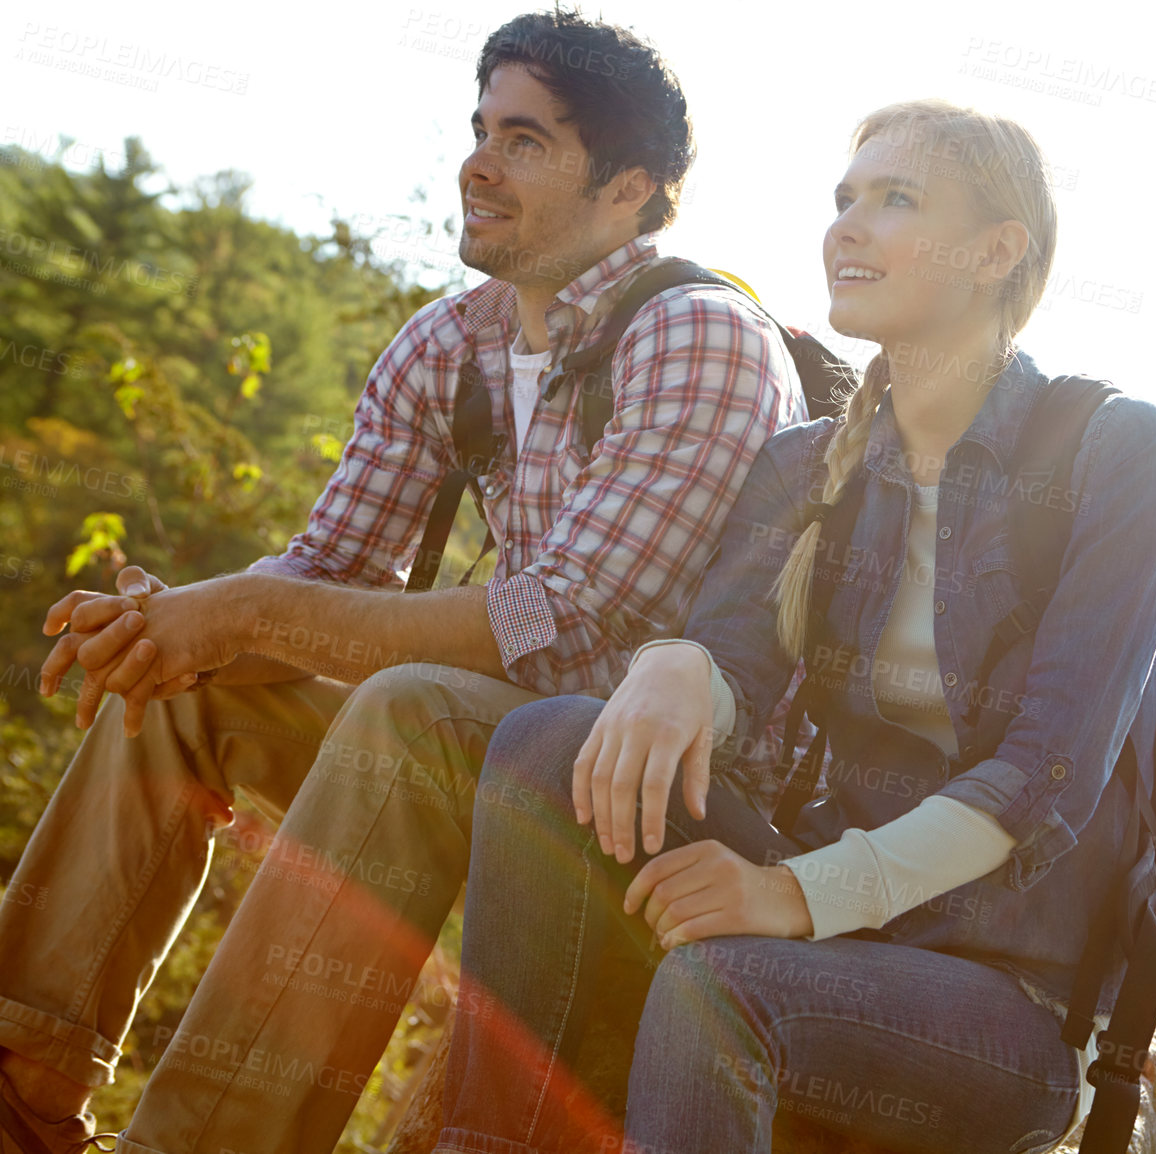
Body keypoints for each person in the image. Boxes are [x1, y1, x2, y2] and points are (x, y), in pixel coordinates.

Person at [0, 12, 806, 1154]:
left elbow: (560, 622)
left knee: (406, 710)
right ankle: (21, 1095)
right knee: (180, 680)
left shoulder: (701, 335)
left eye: (525, 140)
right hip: (494, 765)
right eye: (480, 129)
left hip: (662, 809)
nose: (478, 161)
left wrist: (239, 610)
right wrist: (179, 622)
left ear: (631, 186)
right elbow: (326, 574)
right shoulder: (450, 343)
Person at [434, 99, 1156, 1154]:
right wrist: (675, 666)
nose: (847, 226)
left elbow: (1042, 777)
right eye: (843, 199)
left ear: (995, 250)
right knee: (544, 741)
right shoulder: (803, 463)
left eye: (896, 200)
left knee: (719, 985)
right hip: (836, 899)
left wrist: (791, 893)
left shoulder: (1118, 450)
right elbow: (733, 662)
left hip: (998, 996)